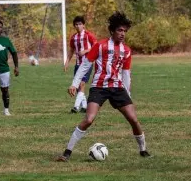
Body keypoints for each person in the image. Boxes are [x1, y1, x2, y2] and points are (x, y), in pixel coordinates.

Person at [57, 12, 151, 162]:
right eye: (120, 30)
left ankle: (143, 150)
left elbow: (126, 74)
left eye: (125, 31)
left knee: (133, 119)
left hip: (118, 88)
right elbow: (85, 65)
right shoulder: (100, 46)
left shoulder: (126, 51)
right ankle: (67, 153)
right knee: (88, 119)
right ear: (112, 31)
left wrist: (128, 95)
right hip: (99, 87)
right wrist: (74, 84)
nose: (122, 34)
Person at [64, 16, 97, 113]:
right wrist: (66, 62)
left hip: (87, 63)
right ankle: (85, 107)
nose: (78, 26)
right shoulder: (74, 37)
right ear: (74, 26)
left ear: (83, 25)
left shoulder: (89, 35)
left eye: (80, 24)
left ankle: (76, 107)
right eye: (76, 24)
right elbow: (71, 51)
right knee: (78, 86)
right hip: (78, 64)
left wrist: (85, 51)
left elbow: (96, 47)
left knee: (82, 84)